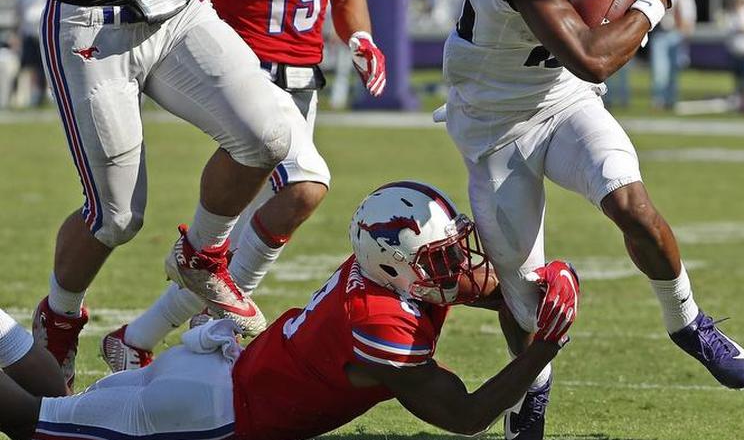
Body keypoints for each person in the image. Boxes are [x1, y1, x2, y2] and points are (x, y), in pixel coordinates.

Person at [441, 0, 744, 440]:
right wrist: (652, 1)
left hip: (563, 102)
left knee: (631, 201)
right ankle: (531, 389)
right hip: (494, 122)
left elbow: (580, 72)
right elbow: (591, 54)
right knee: (522, 287)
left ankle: (688, 320)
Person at [20, 0, 316, 387]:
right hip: (93, 18)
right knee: (117, 216)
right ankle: (59, 315)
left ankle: (200, 254)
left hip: (178, 3)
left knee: (268, 135)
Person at [102, 0, 389, 372]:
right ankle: (222, 318)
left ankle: (138, 336)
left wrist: (360, 39)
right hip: (247, 76)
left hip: (304, 82)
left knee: (250, 233)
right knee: (305, 186)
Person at [0, 181, 583, 440]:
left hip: (215, 375)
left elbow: (494, 287)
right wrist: (545, 347)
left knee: (56, 409)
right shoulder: (380, 319)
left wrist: (546, 281)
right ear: (400, 267)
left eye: (454, 247)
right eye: (442, 256)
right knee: (32, 425)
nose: (459, 262)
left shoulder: (386, 273)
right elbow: (466, 414)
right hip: (210, 413)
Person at [649, 0, 695, 110]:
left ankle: (670, 99)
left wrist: (684, 33)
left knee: (673, 71)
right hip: (660, 33)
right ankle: (660, 99)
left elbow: (688, 18)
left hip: (675, 34)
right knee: (659, 70)